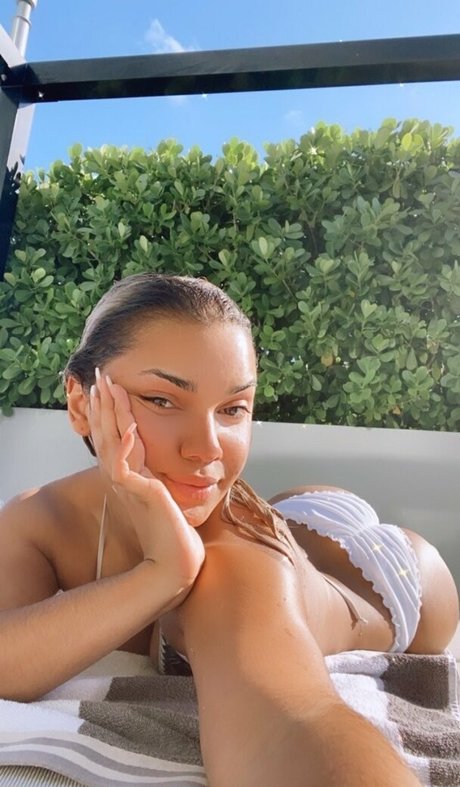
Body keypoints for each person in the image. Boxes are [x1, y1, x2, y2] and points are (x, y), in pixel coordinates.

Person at [0, 272, 457, 787]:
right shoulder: (42, 517)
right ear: (81, 403)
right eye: (162, 400)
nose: (208, 448)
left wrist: (180, 571)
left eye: (233, 409)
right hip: (296, 518)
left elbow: (294, 719)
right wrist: (162, 573)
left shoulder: (235, 556)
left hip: (388, 574)